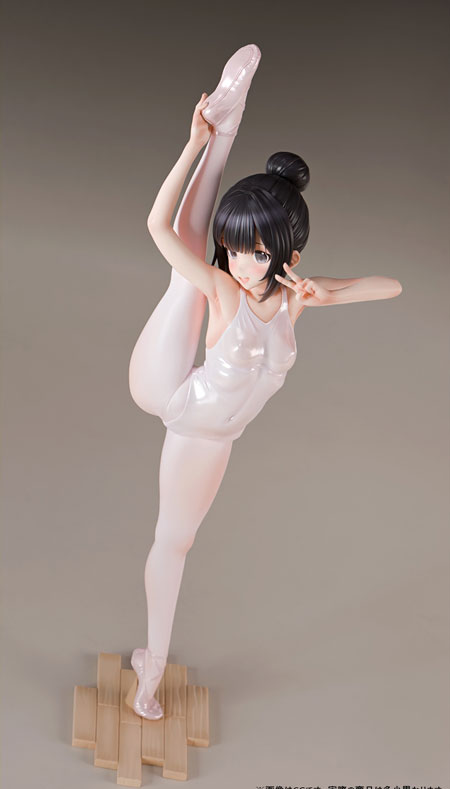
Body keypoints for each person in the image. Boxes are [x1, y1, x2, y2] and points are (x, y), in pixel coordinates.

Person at [127, 44, 402, 719]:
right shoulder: (224, 289)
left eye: (254, 252)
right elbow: (158, 226)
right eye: (235, 248)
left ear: (287, 254)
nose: (241, 263)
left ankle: (150, 661)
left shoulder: (292, 300)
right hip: (176, 401)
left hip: (218, 440)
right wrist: (194, 145)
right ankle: (224, 129)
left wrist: (327, 293)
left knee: (181, 541)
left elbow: (391, 286)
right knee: (185, 267)